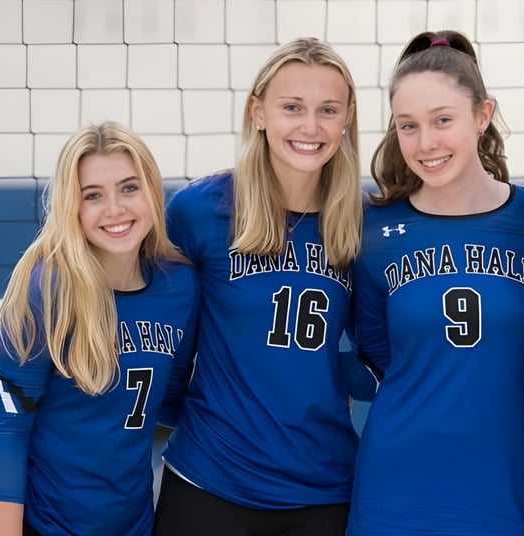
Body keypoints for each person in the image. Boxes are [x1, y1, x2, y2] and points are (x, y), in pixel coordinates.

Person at [346, 30, 524, 535]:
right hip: (396, 485)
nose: (425, 143)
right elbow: (378, 351)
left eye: (443, 120)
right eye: (407, 126)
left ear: (482, 115)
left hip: (506, 483)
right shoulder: (374, 234)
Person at [153, 37, 366, 535]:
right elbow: (152, 332)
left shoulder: (363, 223)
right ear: (258, 111)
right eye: (292, 107)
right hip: (210, 480)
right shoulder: (199, 211)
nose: (310, 127)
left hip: (324, 488)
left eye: (328, 110)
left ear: (347, 118)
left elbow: (378, 351)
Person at [0, 121, 200, 536]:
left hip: (132, 523)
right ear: (71, 207)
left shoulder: (180, 286)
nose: (115, 208)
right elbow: (7, 434)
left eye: (129, 188)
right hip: (38, 523)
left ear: (152, 191)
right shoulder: (44, 290)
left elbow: (171, 401)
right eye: (92, 195)